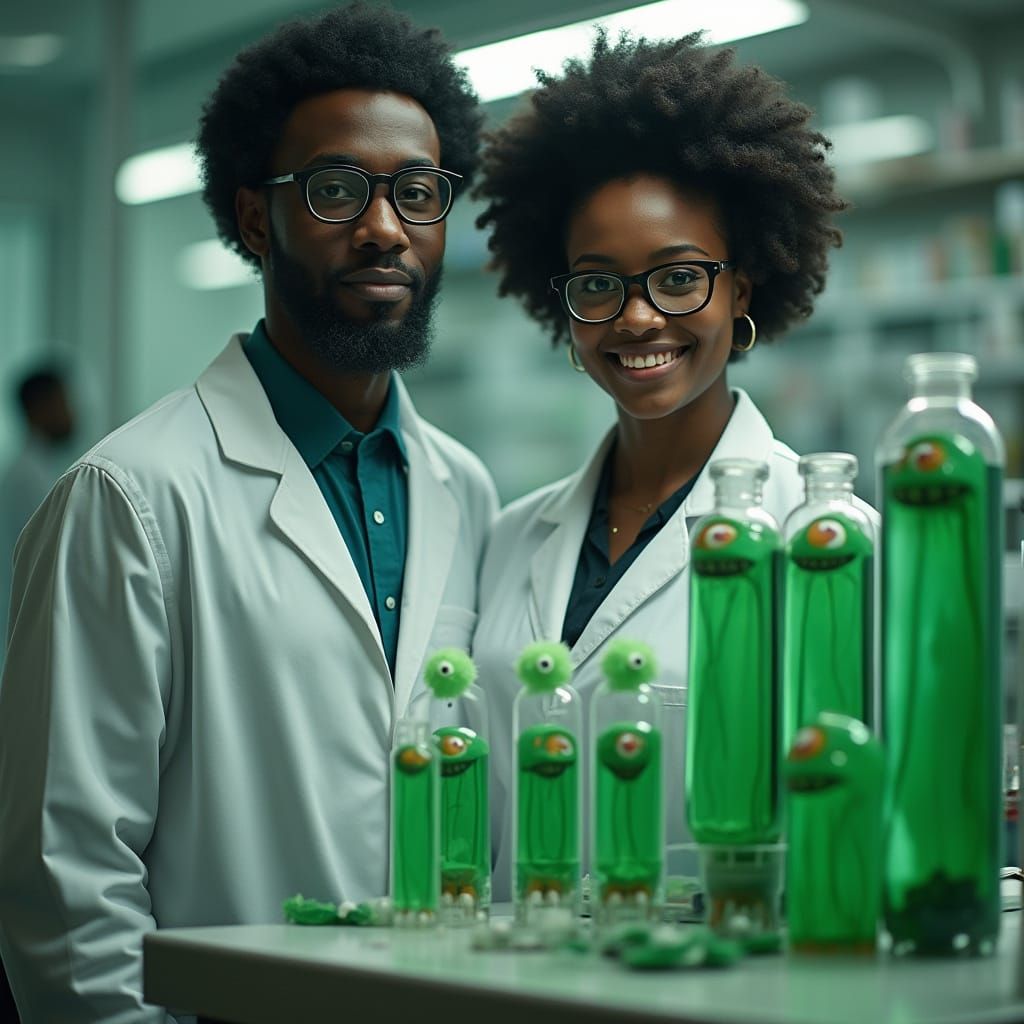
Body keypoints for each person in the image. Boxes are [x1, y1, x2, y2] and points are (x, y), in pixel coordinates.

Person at [0, 6, 496, 1021]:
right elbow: (67, 877)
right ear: (255, 217)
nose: (383, 227)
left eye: (416, 191)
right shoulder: (130, 496)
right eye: (334, 189)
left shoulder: (468, 491)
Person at [471, 32, 875, 897]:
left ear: (743, 287)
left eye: (680, 277)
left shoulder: (827, 536)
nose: (639, 319)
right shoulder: (511, 537)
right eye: (598, 283)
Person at [0, 366, 76, 655]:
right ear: (39, 408)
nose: (71, 412)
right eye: (63, 402)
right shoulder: (28, 478)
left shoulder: (38, 470)